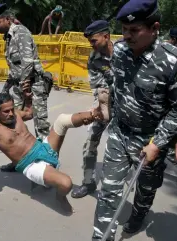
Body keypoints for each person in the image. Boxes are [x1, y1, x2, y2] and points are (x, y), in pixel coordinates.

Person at [90, 0, 177, 241]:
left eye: (134, 30)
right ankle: (101, 240)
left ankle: (139, 215)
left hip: (151, 139)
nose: (127, 36)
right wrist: (102, 106)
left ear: (154, 27)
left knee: (145, 189)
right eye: (124, 29)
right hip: (120, 132)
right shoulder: (119, 51)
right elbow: (117, 86)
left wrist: (159, 143)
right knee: (109, 190)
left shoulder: (175, 62)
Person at [0, 89, 103, 214]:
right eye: (6, 112)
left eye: (11, 109)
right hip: (31, 165)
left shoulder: (16, 114)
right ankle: (59, 197)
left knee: (61, 120)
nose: (10, 114)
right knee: (66, 184)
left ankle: (95, 114)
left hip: (42, 148)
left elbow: (29, 113)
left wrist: (27, 99)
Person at [0, 5, 51, 172]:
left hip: (33, 85)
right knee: (12, 122)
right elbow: (14, 67)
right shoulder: (8, 37)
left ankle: (47, 164)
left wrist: (25, 85)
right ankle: (18, 159)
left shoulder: (21, 33)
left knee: (41, 124)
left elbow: (28, 62)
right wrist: (5, 89)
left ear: (7, 19)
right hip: (18, 86)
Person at [71, 20, 114, 199]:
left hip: (129, 108)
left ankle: (115, 189)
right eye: (90, 42)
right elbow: (97, 86)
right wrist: (100, 108)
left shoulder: (127, 52)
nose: (91, 45)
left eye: (94, 40)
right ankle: (88, 183)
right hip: (105, 104)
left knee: (122, 149)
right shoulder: (93, 58)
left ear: (106, 36)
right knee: (89, 143)